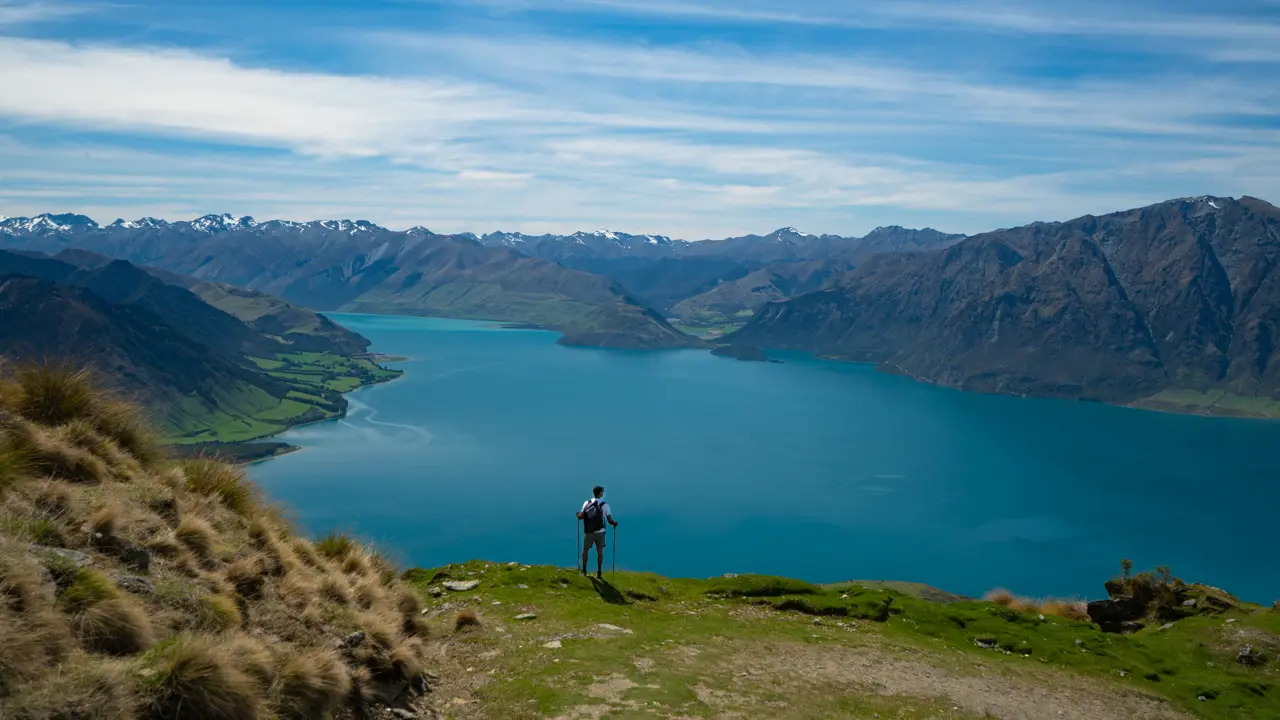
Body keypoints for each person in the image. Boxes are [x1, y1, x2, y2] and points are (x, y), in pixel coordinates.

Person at [577, 485, 618, 578]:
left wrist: (577, 515)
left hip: (588, 531)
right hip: (600, 532)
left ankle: (584, 571)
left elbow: (581, 516)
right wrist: (614, 523)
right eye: (602, 492)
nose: (603, 493)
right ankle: (599, 572)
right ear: (599, 493)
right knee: (600, 552)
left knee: (585, 550)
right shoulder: (605, 505)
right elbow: (609, 520)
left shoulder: (586, 503)